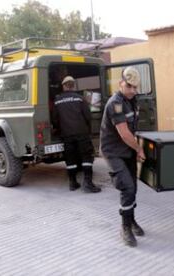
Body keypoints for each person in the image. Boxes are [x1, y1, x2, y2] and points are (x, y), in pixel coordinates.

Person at [100, 67, 146, 247]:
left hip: (127, 150)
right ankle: (125, 227)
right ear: (121, 84)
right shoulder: (115, 103)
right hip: (113, 151)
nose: (133, 90)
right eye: (129, 86)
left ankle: (131, 220)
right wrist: (139, 149)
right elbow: (125, 134)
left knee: (133, 187)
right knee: (127, 187)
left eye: (135, 87)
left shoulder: (133, 100)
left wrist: (136, 148)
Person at [52, 76, 101, 193]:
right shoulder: (80, 99)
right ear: (73, 85)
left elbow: (54, 119)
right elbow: (88, 116)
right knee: (86, 157)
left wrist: (59, 128)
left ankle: (72, 183)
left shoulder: (57, 101)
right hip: (81, 133)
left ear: (64, 86)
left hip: (66, 134)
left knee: (70, 159)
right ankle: (88, 184)